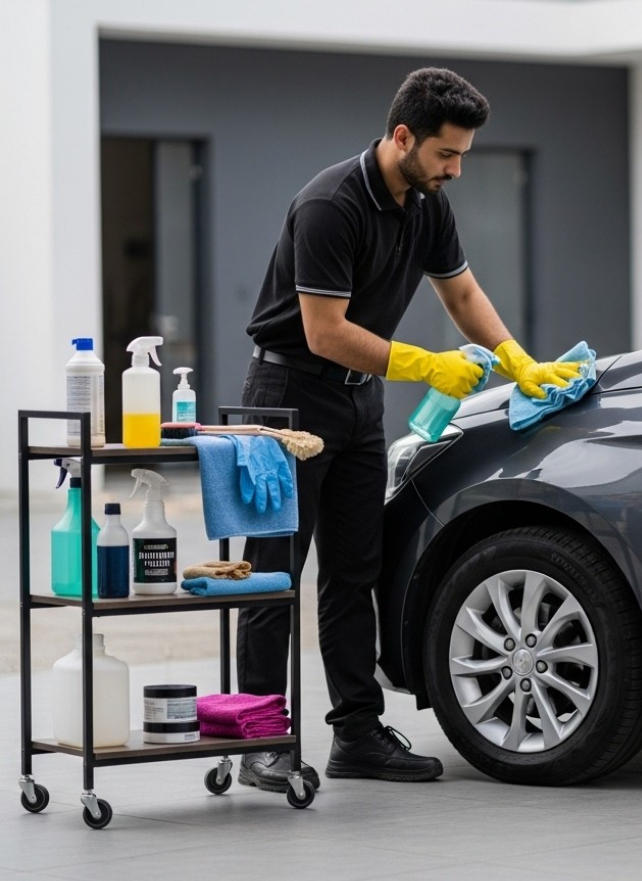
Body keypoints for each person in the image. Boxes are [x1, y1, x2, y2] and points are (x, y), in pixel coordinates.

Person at [234, 67, 580, 791]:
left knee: (355, 571)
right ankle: (260, 740)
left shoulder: (426, 203)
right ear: (403, 137)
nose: (456, 169)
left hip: (359, 404)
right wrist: (427, 364)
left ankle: (355, 733)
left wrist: (519, 362)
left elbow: (461, 291)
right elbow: (324, 332)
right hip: (287, 398)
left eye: (461, 156)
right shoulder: (331, 204)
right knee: (272, 575)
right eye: (447, 154)